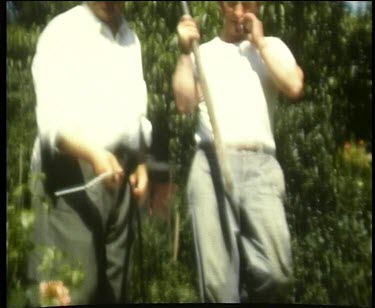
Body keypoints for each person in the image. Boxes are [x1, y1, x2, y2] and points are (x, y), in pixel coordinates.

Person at [172, 1, 304, 303]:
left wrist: (258, 43)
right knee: (218, 286)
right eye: (232, 3)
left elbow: (294, 86)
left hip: (261, 166)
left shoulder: (272, 47)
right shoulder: (203, 53)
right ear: (221, 7)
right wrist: (183, 52)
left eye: (248, 3)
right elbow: (183, 103)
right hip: (210, 163)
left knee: (276, 273)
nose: (240, 10)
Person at [27, 1, 150, 305]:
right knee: (70, 292)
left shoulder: (130, 39)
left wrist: (141, 164)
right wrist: (93, 154)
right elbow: (50, 124)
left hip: (119, 176)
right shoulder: (62, 31)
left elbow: (137, 114)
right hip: (71, 175)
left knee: (113, 292)